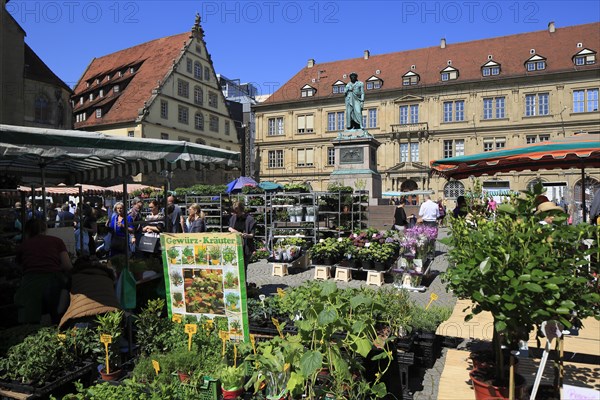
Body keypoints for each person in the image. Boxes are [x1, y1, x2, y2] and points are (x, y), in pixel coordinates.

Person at [14, 219, 72, 324]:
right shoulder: (57, 241)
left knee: (31, 323)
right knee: (57, 318)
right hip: (54, 282)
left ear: (27, 231)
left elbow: (18, 266)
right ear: (45, 229)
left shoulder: (24, 245)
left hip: (30, 284)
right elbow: (67, 265)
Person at [58, 257, 121, 329]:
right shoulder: (107, 278)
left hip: (81, 318)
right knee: (109, 339)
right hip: (111, 316)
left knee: (82, 339)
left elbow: (61, 307)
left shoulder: (73, 278)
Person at [228, 201, 256, 276]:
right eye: (235, 212)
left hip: (246, 247)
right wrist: (236, 232)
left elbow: (252, 235)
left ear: (241, 210)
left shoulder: (250, 220)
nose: (236, 214)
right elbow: (230, 228)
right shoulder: (233, 218)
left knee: (243, 267)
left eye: (237, 212)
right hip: (235, 246)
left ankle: (244, 285)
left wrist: (246, 235)